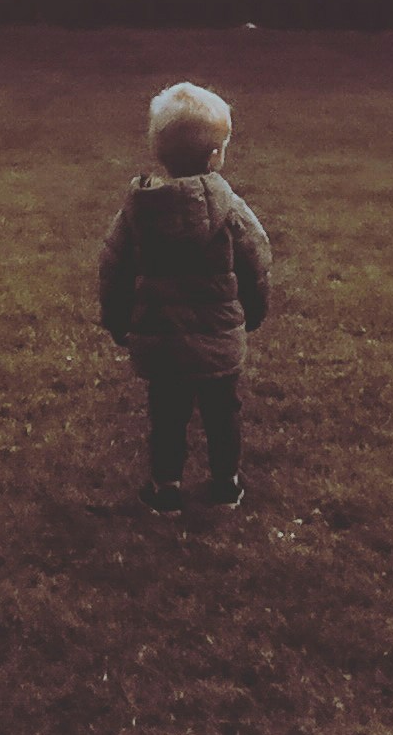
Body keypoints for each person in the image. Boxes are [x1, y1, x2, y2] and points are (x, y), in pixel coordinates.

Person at [95, 80, 273, 514]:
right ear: (216, 155)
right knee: (222, 412)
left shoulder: (138, 210)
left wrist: (119, 321)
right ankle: (225, 484)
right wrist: (253, 311)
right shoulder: (231, 209)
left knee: (167, 416)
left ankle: (166, 488)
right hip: (218, 340)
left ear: (159, 152)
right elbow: (257, 261)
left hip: (162, 342)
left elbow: (112, 270)